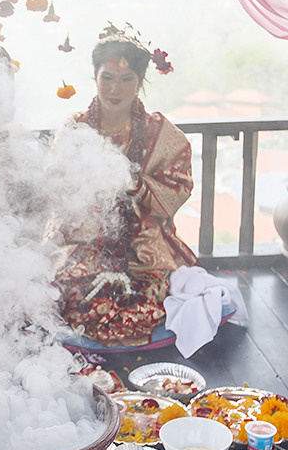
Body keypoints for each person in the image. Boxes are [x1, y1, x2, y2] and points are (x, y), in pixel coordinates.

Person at [50, 24, 198, 347]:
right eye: (108, 78)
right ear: (95, 77)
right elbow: (56, 188)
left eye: (126, 79)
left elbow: (179, 184)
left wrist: (136, 184)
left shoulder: (159, 131)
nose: (115, 89)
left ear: (140, 82)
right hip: (85, 238)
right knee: (70, 299)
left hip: (143, 245)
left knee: (139, 307)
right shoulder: (75, 128)